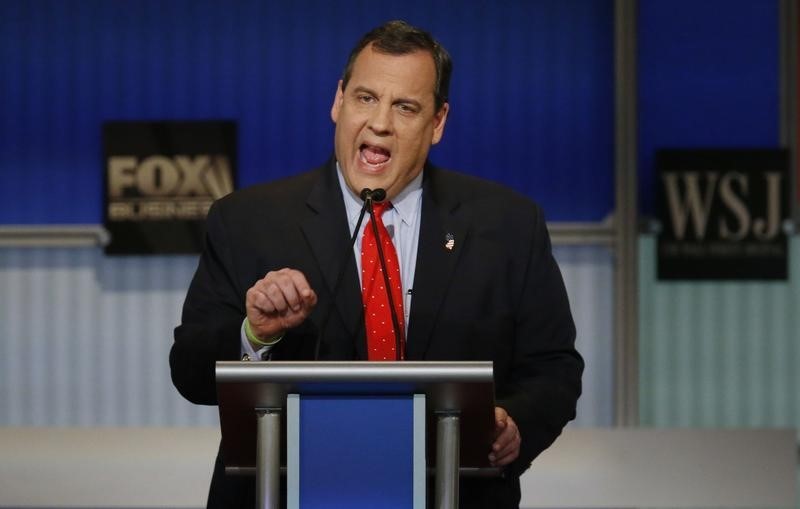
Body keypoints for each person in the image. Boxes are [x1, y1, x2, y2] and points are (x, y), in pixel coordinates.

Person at [171, 20, 583, 509]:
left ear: (437, 123)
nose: (380, 123)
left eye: (405, 107)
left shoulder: (509, 226)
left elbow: (554, 368)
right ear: (338, 101)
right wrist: (255, 334)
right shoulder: (247, 221)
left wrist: (514, 423)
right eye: (365, 98)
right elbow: (191, 371)